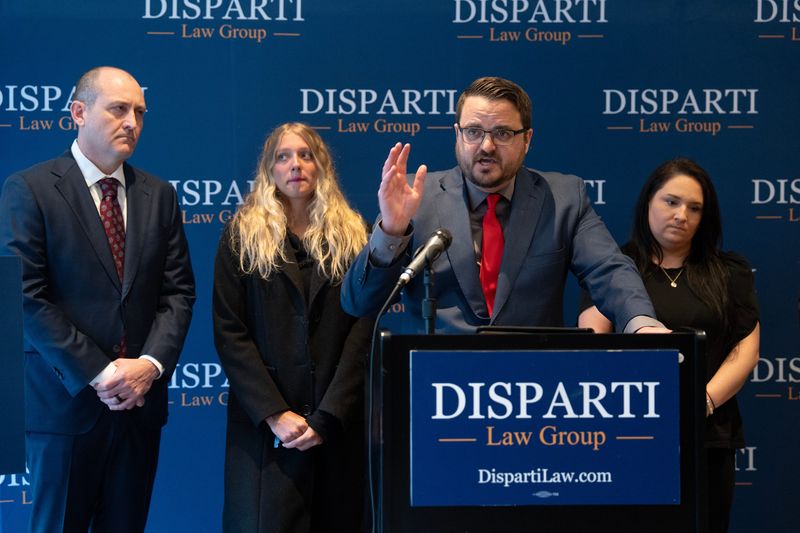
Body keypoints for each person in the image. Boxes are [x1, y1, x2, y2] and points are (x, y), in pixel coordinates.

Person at [0, 66, 196, 533]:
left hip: (139, 409)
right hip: (63, 408)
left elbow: (178, 293)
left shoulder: (160, 195)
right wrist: (102, 373)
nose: (132, 122)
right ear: (78, 113)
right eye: (118, 109)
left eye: (140, 113)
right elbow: (24, 295)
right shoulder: (29, 189)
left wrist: (149, 366)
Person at [341, 76, 665, 334]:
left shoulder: (564, 198)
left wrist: (642, 323)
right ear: (457, 134)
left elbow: (608, 269)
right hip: (437, 382)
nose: (486, 146)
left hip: (531, 382)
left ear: (527, 139)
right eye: (473, 132)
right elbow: (359, 304)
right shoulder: (417, 198)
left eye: (503, 133)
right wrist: (392, 230)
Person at [578, 158, 759, 532]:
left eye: (695, 208)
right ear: (648, 202)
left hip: (707, 436)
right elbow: (594, 344)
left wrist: (700, 403)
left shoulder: (729, 271)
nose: (681, 215)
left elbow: (745, 349)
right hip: (630, 434)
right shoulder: (613, 270)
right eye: (671, 201)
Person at [212, 123, 373, 533]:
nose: (295, 165)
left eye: (306, 155)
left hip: (337, 429)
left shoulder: (356, 237)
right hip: (265, 435)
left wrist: (328, 416)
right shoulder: (241, 237)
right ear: (269, 170)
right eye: (283, 157)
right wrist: (273, 413)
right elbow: (230, 332)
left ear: (322, 166)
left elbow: (363, 333)